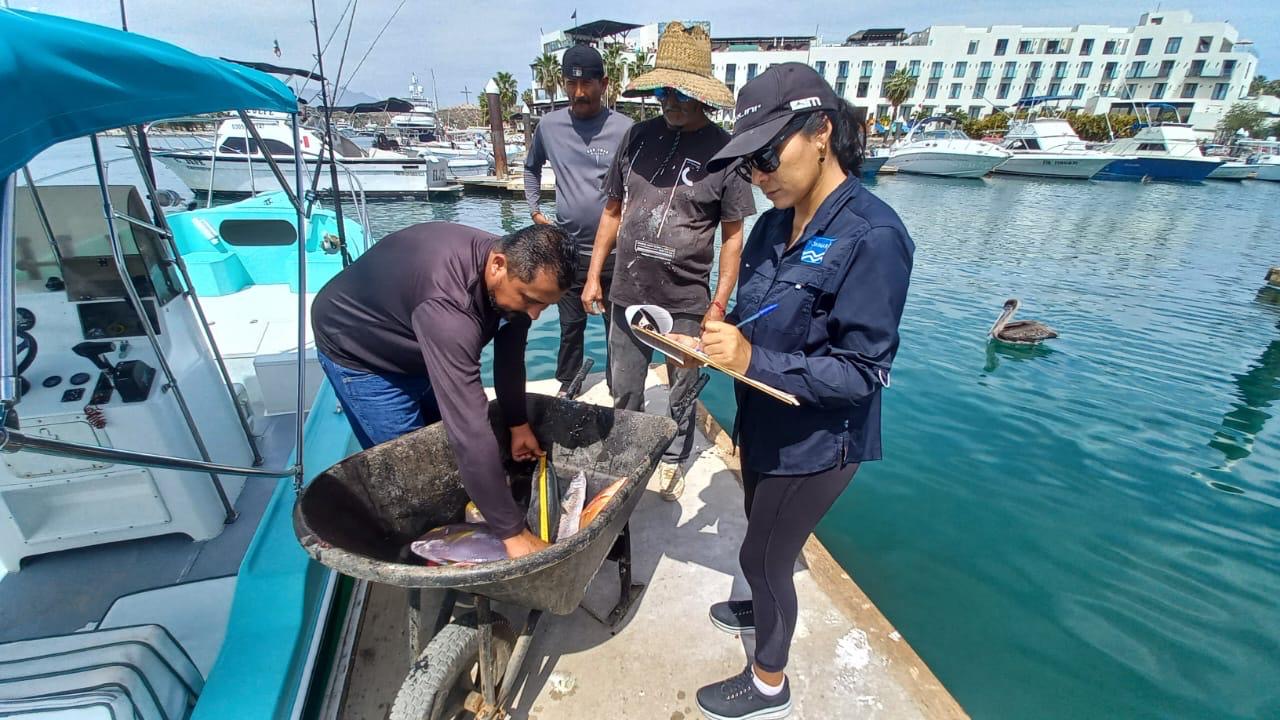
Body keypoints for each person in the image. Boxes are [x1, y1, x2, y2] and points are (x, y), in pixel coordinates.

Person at [690, 63, 915, 719]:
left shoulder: (874, 237)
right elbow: (755, 319)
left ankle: (768, 684)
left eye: (765, 156)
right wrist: (713, 337)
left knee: (760, 554)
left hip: (819, 443)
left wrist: (753, 358)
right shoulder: (769, 226)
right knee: (765, 543)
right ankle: (761, 599)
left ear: (820, 131)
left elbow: (862, 372)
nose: (759, 178)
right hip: (761, 423)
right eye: (748, 167)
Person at [311, 222, 577, 559]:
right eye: (529, 300)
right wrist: (513, 532)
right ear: (497, 265)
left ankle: (469, 532)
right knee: (413, 471)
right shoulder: (450, 308)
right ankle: (428, 555)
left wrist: (517, 423)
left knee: (448, 453)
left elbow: (510, 359)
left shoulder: (511, 278)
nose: (535, 314)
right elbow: (468, 427)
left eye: (545, 305)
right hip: (361, 352)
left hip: (417, 335)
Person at [581, 21, 755, 501]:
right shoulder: (635, 137)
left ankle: (676, 458)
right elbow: (612, 210)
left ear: (701, 95)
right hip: (627, 291)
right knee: (625, 386)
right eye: (663, 92)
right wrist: (594, 276)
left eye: (680, 93)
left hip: (686, 300)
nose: (670, 102)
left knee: (683, 391)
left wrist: (718, 303)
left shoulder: (726, 152)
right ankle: (628, 457)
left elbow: (733, 236)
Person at [524, 44, 633, 395]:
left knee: (617, 326)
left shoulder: (626, 129)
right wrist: (535, 210)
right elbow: (530, 168)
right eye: (571, 84)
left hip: (616, 250)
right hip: (568, 249)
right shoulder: (549, 126)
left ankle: (620, 385)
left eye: (587, 84)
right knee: (570, 324)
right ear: (562, 83)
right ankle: (568, 384)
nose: (580, 92)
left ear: (604, 83)